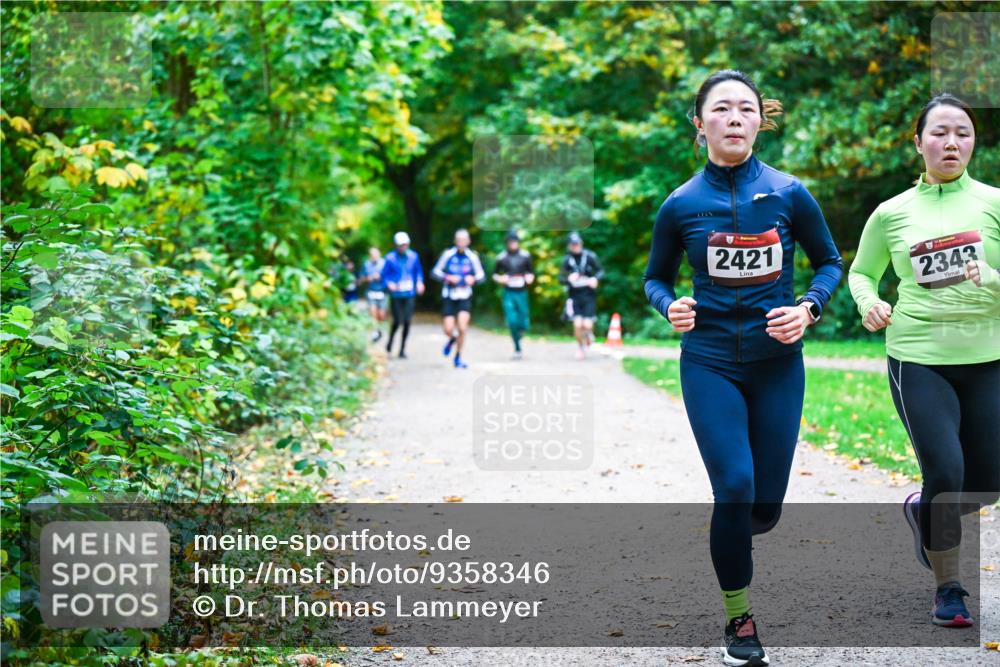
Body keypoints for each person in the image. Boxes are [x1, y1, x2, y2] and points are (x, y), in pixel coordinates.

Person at [643, 70, 842, 666]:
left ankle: (731, 534)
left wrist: (808, 308)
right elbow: (654, 278)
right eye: (721, 108)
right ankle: (739, 616)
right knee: (734, 486)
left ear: (760, 120)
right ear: (699, 123)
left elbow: (829, 262)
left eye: (746, 108)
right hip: (708, 363)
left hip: (777, 364)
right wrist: (669, 305)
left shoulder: (788, 193)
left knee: (763, 507)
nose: (734, 117)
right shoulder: (681, 204)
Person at [848, 93, 999, 629]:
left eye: (963, 132)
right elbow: (862, 272)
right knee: (946, 470)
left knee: (988, 480)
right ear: (918, 143)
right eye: (939, 132)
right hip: (917, 357)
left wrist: (991, 278)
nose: (951, 142)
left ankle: (926, 511)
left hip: (989, 356)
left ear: (974, 142)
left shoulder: (994, 203)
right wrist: (869, 303)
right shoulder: (892, 213)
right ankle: (948, 588)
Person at [431, 228, 485, 369]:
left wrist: (473, 279)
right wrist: (448, 277)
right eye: (459, 240)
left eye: (464, 240)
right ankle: (452, 338)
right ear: (455, 241)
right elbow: (435, 272)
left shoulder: (472, 257)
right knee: (448, 329)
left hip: (464, 296)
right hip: (449, 296)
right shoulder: (448, 254)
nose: (461, 242)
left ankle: (458, 357)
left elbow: (481, 275)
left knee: (462, 327)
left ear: (468, 241)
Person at [558, 232, 604, 360]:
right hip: (574, 297)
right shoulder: (567, 260)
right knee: (578, 325)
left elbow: (600, 271)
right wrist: (568, 278)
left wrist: (595, 279)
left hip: (588, 295)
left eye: (577, 244)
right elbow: (560, 278)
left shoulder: (590, 256)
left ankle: (588, 335)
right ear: (569, 246)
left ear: (581, 243)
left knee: (587, 325)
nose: (576, 246)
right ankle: (580, 348)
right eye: (573, 244)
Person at [492, 230, 535, 359]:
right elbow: (494, 274)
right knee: (512, 321)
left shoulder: (525, 256)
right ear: (507, 243)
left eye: (514, 241)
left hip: (522, 292)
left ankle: (520, 332)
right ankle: (517, 348)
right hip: (508, 292)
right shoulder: (501, 257)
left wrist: (529, 278)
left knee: (523, 321)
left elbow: (531, 272)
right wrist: (501, 279)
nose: (512, 244)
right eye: (510, 242)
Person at [382, 231, 425, 359]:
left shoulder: (414, 256)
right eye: (401, 245)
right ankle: (390, 342)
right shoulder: (389, 258)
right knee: (397, 321)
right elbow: (384, 275)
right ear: (396, 245)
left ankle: (402, 349)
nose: (403, 247)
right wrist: (389, 283)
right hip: (396, 294)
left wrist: (420, 282)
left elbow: (418, 272)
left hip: (409, 293)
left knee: (407, 321)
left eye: (405, 244)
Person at [360, 246, 388, 342]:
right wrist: (367, 278)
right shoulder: (366, 265)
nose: (374, 256)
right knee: (372, 312)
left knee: (381, 314)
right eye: (372, 254)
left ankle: (379, 330)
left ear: (379, 254)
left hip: (382, 291)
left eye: (375, 254)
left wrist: (381, 277)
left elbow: (390, 276)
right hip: (371, 291)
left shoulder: (384, 263)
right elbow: (361, 278)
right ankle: (375, 331)